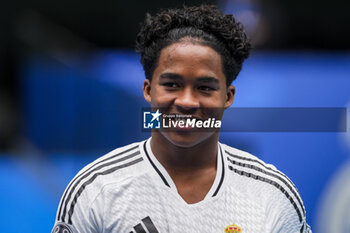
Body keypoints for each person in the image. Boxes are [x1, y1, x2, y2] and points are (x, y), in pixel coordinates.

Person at [51, 5, 311, 233]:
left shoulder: (271, 193)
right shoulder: (97, 189)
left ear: (228, 96)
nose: (187, 102)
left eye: (205, 88)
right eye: (172, 85)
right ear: (148, 90)